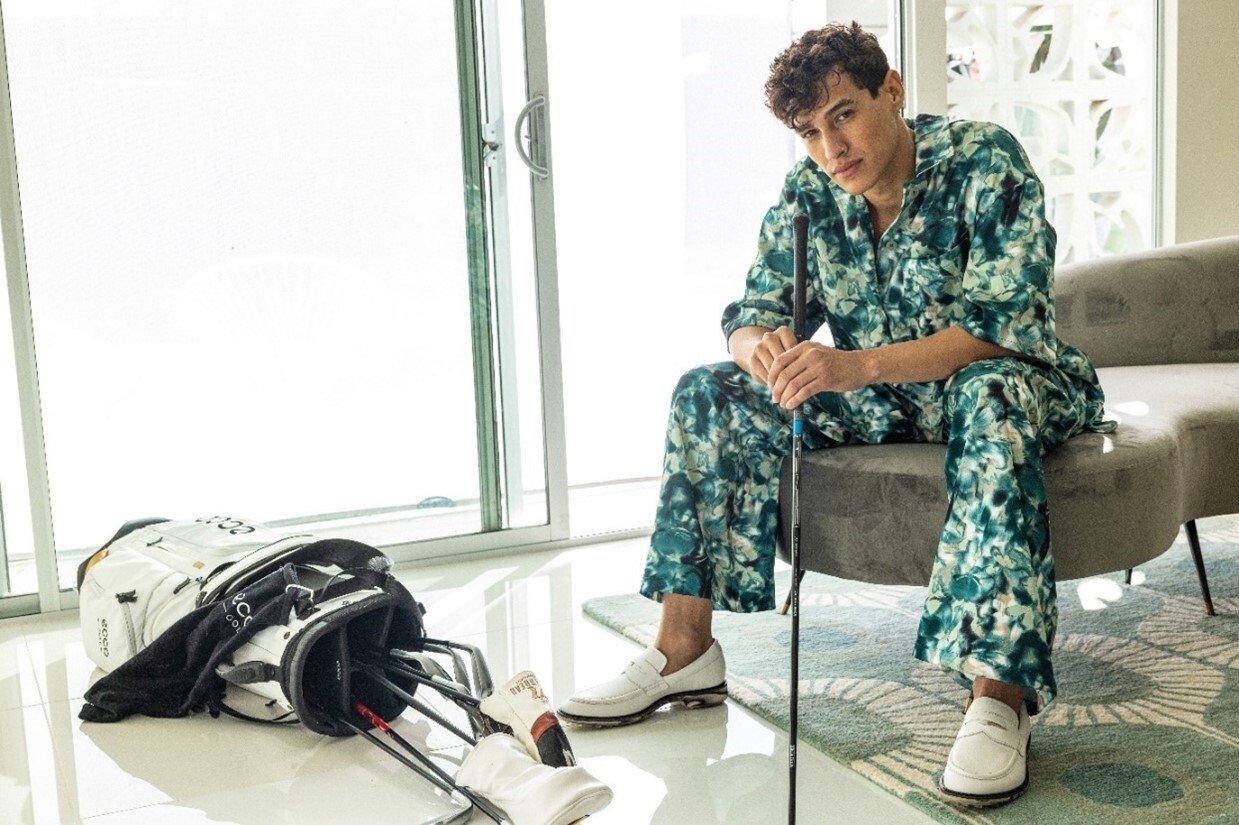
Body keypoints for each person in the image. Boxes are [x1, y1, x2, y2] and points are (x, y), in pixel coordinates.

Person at [557, 21, 1113, 808]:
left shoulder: (984, 161)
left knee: (989, 395)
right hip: (880, 397)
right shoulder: (809, 194)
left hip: (1007, 383)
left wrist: (854, 365)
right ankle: (683, 651)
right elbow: (747, 315)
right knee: (706, 391)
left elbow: (1001, 328)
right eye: (809, 132)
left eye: (843, 115)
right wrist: (763, 351)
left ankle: (998, 694)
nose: (830, 148)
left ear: (891, 90)